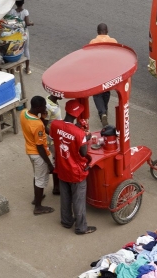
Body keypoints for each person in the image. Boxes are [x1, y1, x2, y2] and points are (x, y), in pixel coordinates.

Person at [50, 100, 96, 235]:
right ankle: (81, 228)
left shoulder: (55, 125)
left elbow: (56, 137)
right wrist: (86, 138)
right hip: (76, 171)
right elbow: (83, 152)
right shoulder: (79, 134)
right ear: (77, 114)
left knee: (65, 197)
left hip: (62, 167)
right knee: (78, 200)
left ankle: (66, 221)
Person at [20, 96, 55, 215]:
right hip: (38, 154)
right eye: (44, 106)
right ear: (39, 107)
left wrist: (42, 118)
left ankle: (37, 198)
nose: (45, 108)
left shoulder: (24, 113)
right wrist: (49, 164)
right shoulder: (37, 125)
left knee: (37, 175)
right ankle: (38, 207)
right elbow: (40, 147)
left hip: (29, 151)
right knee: (41, 179)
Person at [89, 23, 117, 126]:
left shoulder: (93, 42)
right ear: (107, 31)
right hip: (109, 72)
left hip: (97, 71)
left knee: (97, 93)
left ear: (97, 32)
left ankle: (102, 112)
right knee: (106, 90)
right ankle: (104, 109)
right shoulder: (113, 41)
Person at [44, 95, 62, 194]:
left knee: (58, 161)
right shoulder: (48, 107)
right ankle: (56, 187)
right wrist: (54, 136)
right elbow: (43, 124)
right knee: (56, 162)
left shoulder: (53, 102)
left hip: (58, 137)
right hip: (53, 140)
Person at [10, 0, 33, 74]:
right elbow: (27, 23)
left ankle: (17, 67)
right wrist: (32, 23)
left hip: (16, 33)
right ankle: (27, 69)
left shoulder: (12, 12)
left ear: (15, 3)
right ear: (23, 3)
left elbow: (10, 22)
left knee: (17, 50)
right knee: (26, 49)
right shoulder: (25, 11)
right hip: (24, 33)